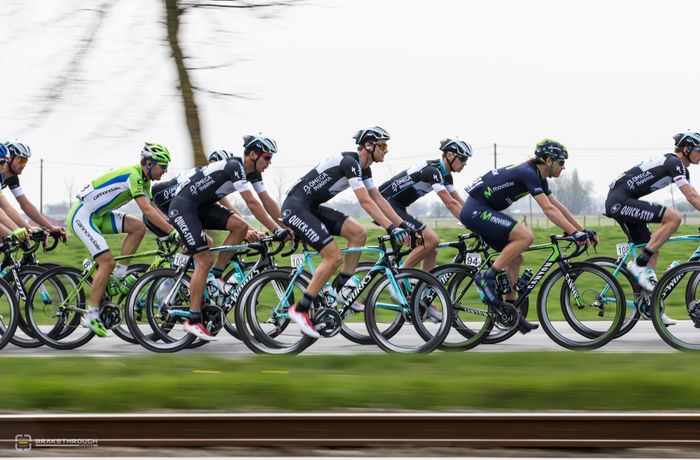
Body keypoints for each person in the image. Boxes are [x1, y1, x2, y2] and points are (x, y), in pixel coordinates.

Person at [280, 126, 416, 338]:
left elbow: (379, 199)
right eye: (382, 145)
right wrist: (390, 228)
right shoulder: (350, 163)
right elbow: (364, 201)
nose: (386, 150)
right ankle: (300, 309)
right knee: (333, 256)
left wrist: (403, 225)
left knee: (358, 233)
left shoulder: (365, 169)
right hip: (296, 207)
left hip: (311, 208)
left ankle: (340, 290)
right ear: (368, 146)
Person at [459, 139, 595, 333]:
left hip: (483, 209)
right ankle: (486, 278)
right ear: (549, 160)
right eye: (562, 162)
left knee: (517, 257)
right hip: (476, 210)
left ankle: (511, 311)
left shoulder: (539, 177)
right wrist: (574, 233)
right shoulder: (528, 173)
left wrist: (582, 230)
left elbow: (557, 206)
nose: (564, 168)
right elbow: (548, 210)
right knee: (525, 236)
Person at [169, 134, 290, 341]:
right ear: (252, 154)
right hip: (184, 208)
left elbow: (267, 201)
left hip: (201, 208)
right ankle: (194, 319)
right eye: (267, 158)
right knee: (204, 259)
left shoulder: (252, 174)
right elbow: (252, 204)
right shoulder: (235, 166)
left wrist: (287, 227)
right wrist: (274, 229)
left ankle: (216, 275)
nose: (269, 163)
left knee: (240, 226)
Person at [67, 142, 176, 337]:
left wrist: (176, 227)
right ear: (149, 163)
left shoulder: (145, 181)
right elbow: (147, 210)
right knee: (106, 262)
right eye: (163, 166)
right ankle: (91, 315)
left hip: (99, 216)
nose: (165, 171)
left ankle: (119, 273)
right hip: (82, 217)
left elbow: (154, 207)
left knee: (138, 227)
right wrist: (173, 232)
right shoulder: (133, 176)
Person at [605, 131, 700, 326]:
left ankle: (651, 306)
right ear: (687, 149)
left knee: (652, 247)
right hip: (619, 201)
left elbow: (694, 195)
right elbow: (691, 197)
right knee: (673, 219)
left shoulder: (681, 168)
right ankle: (638, 265)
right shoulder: (673, 162)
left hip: (625, 200)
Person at [378, 137, 470, 321]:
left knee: (431, 251)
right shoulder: (432, 171)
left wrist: (475, 216)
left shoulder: (446, 174)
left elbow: (459, 201)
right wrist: (473, 224)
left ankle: (423, 297)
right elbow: (450, 204)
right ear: (450, 155)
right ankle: (396, 282)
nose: (465, 164)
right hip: (385, 205)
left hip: (398, 207)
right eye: (463, 159)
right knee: (431, 239)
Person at [0, 141, 67, 241]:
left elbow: (24, 205)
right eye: (21, 160)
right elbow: (6, 208)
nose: (24, 165)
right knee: (4, 238)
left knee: (5, 240)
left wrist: (49, 228)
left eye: (25, 161)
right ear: (10, 158)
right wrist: (16, 229)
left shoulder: (12, 178)